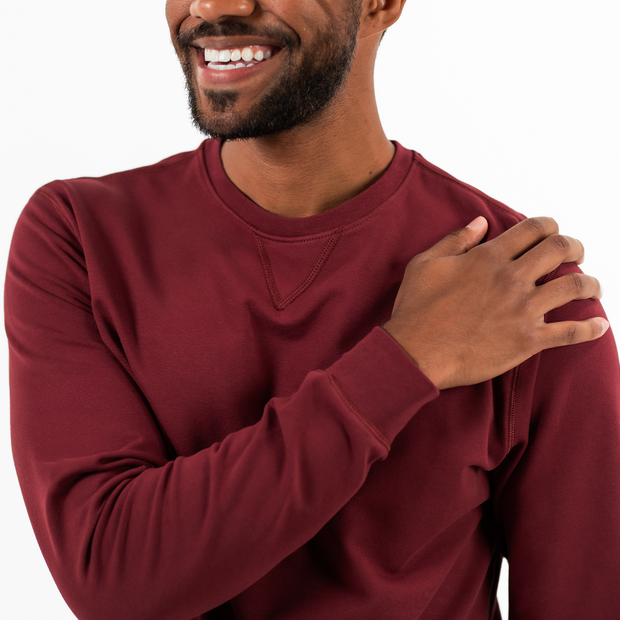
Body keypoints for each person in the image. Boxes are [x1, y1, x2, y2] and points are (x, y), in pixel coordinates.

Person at [5, 0, 620, 619]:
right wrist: (407, 359)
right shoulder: (81, 237)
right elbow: (112, 579)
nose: (215, 7)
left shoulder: (523, 292)